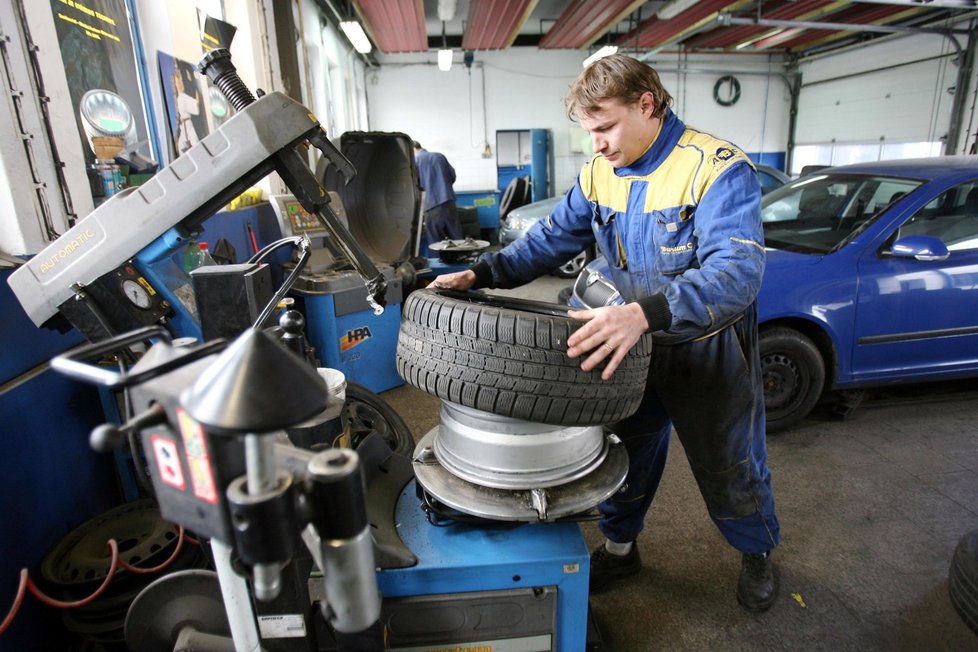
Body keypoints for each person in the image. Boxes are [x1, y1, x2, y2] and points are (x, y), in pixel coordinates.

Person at [428, 54, 781, 612]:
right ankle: (621, 549)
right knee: (622, 455)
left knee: (729, 461)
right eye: (588, 131)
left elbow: (736, 272)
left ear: (647, 104)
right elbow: (549, 240)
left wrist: (646, 314)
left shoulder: (716, 168)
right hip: (624, 348)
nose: (596, 143)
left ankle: (756, 552)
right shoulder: (599, 174)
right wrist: (484, 272)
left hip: (705, 352)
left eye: (605, 127)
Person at [413, 141, 463, 242]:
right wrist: (444, 187)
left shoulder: (416, 161)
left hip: (431, 206)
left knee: (435, 242)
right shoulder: (440, 156)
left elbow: (414, 185)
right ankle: (462, 257)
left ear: (413, 149)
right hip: (449, 202)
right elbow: (452, 176)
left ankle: (436, 258)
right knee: (457, 238)